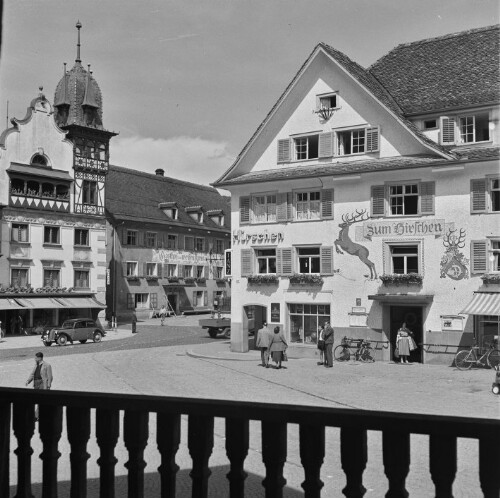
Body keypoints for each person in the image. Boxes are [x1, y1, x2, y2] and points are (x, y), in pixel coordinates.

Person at [26, 352, 53, 421]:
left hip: (42, 383)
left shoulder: (47, 365)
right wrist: (28, 381)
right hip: (36, 383)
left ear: (40, 358)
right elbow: (32, 374)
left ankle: (35, 416)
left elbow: (50, 376)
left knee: (41, 400)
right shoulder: (36, 365)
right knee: (38, 399)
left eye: (35, 358)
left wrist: (48, 385)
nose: (34, 359)